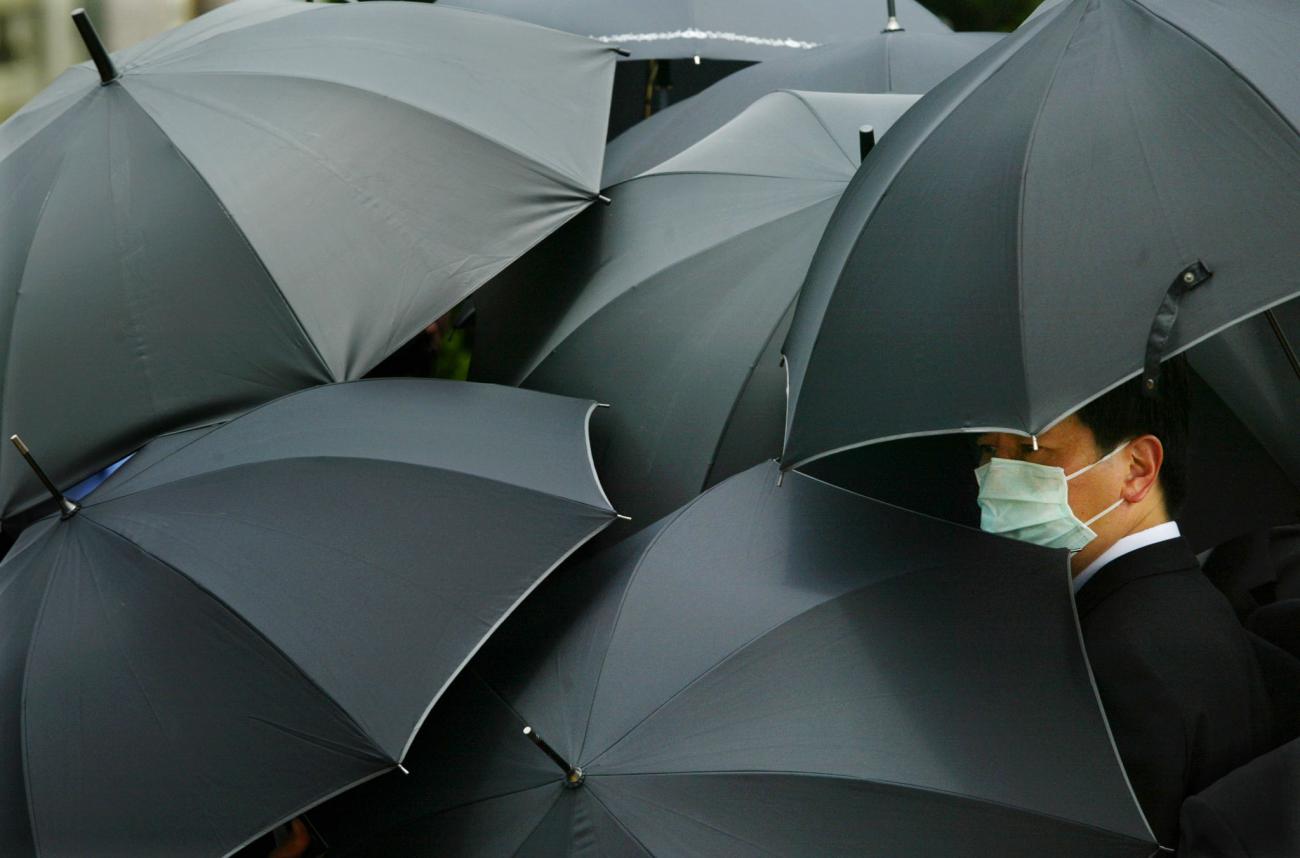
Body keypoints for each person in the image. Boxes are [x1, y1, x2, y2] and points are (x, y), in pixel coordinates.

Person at [972, 358, 1276, 847]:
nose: (997, 478)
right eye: (988, 451)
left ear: (1137, 469)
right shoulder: (1184, 600)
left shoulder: (1120, 657)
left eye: (1031, 452)